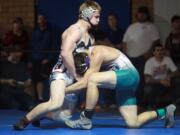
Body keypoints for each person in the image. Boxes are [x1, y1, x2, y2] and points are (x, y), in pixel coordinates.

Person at [13, 0, 101, 130]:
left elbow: (86, 59)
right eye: (97, 16)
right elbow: (65, 54)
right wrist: (76, 75)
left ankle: (41, 115)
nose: (99, 20)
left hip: (74, 75)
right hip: (62, 72)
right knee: (55, 103)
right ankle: (24, 120)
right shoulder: (74, 30)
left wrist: (85, 74)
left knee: (66, 114)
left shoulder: (91, 37)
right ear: (86, 14)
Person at [64, 45, 176, 129]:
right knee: (133, 123)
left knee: (93, 79)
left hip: (129, 75)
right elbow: (84, 81)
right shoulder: (90, 55)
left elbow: (85, 82)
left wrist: (64, 90)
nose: (83, 62)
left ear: (85, 51)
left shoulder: (97, 52)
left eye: (82, 59)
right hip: (125, 82)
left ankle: (86, 119)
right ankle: (165, 112)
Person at [122, 6, 160, 105]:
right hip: (130, 58)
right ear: (137, 14)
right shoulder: (131, 27)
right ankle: (128, 101)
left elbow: (156, 41)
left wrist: (149, 52)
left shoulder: (151, 27)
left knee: (140, 81)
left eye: (144, 13)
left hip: (143, 58)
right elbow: (124, 41)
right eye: (140, 13)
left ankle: (139, 103)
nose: (141, 15)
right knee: (130, 80)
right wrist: (124, 54)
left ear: (147, 15)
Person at [143, 44, 178, 109]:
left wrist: (169, 76)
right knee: (148, 89)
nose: (160, 52)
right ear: (153, 52)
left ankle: (176, 104)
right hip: (155, 83)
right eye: (157, 50)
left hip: (167, 82)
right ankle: (152, 106)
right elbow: (147, 79)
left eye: (162, 50)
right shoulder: (149, 62)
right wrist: (160, 81)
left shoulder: (167, 59)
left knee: (177, 81)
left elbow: (176, 72)